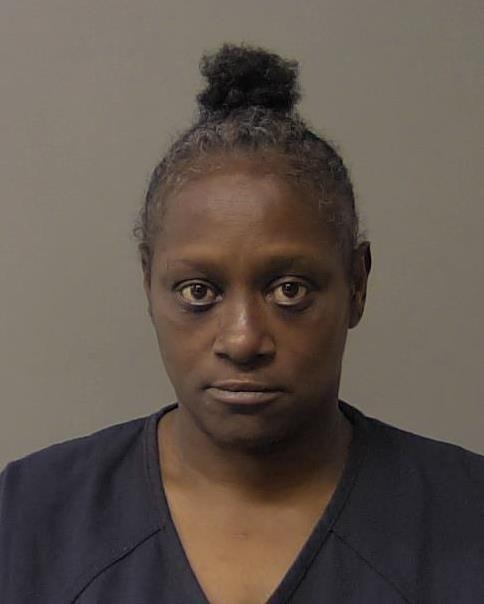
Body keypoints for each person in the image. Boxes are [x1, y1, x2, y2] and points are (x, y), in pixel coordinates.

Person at [0, 43, 483, 604]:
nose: (243, 339)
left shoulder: (468, 514)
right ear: (148, 282)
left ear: (357, 283)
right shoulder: (28, 516)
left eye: (289, 290)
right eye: (198, 292)